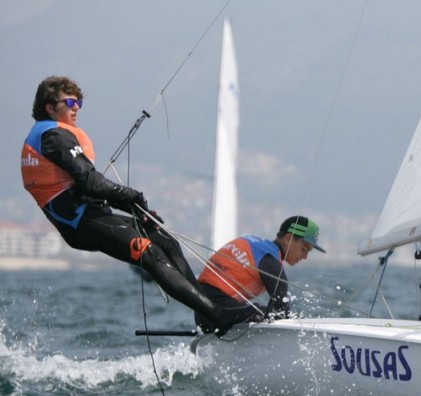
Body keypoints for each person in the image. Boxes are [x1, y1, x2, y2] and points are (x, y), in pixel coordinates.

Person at [20, 75, 232, 328]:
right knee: (150, 254)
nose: (76, 107)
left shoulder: (49, 136)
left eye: (79, 103)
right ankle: (218, 316)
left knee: (163, 239)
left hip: (90, 215)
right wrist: (134, 197)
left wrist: (137, 209)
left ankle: (206, 314)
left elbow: (88, 188)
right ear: (50, 107)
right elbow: (91, 183)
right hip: (81, 224)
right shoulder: (54, 137)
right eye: (69, 102)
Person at [194, 215, 325, 332]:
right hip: (215, 309)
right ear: (288, 238)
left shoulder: (256, 244)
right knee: (272, 315)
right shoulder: (270, 260)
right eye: (304, 249)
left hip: (203, 310)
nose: (305, 256)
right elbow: (284, 312)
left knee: (265, 313)